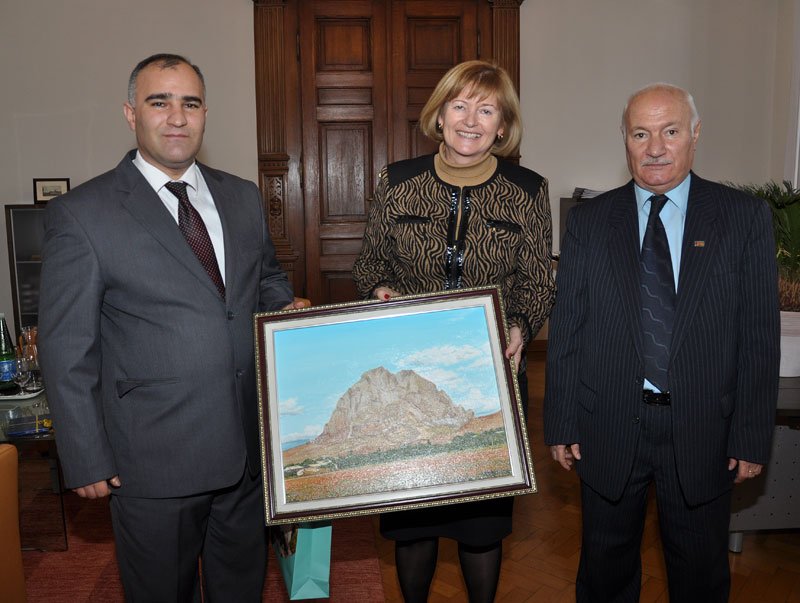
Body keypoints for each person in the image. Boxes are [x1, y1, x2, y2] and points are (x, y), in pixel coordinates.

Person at [38, 53, 300, 602]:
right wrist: (84, 454)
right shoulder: (83, 214)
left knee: (240, 592)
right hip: (151, 463)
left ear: (206, 114)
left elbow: (266, 281)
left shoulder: (242, 196)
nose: (177, 117)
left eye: (191, 103)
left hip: (246, 455)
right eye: (160, 102)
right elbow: (66, 348)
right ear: (131, 114)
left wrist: (287, 315)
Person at [543, 83, 780, 601]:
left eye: (670, 132)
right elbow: (567, 330)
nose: (655, 148)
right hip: (606, 424)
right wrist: (561, 421)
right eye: (641, 133)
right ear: (625, 141)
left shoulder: (744, 218)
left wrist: (750, 435)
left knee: (700, 576)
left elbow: (759, 338)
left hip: (704, 430)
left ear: (695, 136)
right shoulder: (588, 222)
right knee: (604, 573)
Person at [353, 60, 555, 602]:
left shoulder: (529, 191)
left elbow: (539, 281)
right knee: (413, 525)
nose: (471, 119)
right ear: (439, 116)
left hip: (492, 378)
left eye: (486, 109)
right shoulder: (396, 183)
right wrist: (379, 293)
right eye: (459, 105)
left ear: (503, 127)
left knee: (481, 529)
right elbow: (371, 266)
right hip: (411, 382)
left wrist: (520, 325)